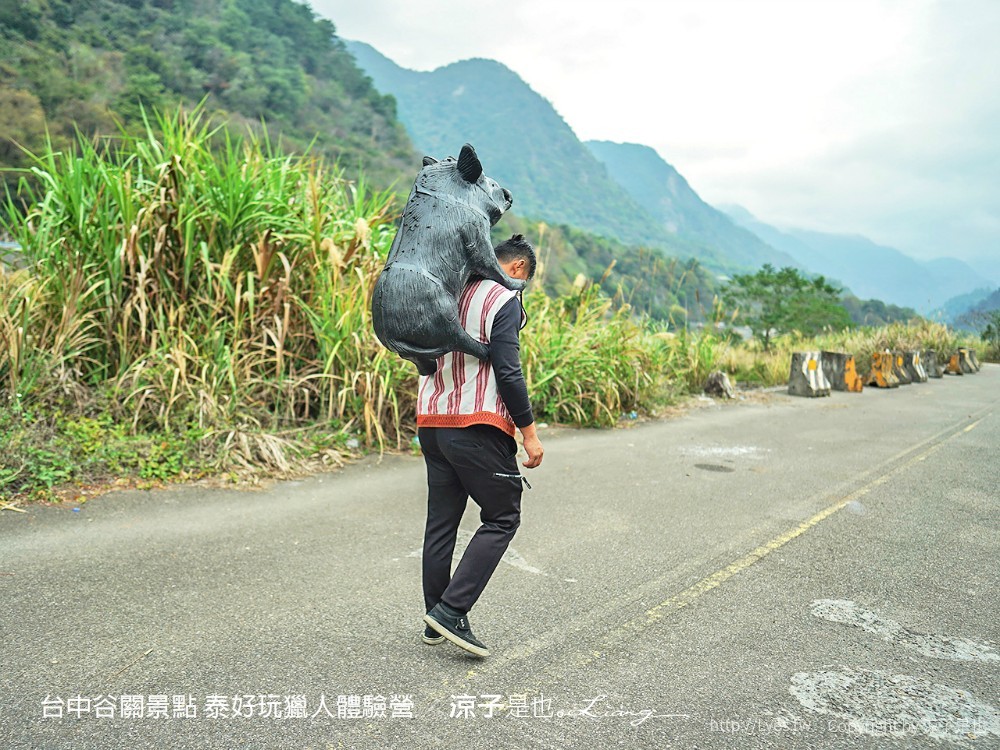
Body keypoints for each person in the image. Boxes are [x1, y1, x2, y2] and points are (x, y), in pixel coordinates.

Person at [417, 234, 544, 658]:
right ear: (518, 269)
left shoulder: (448, 290)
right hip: (477, 424)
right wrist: (528, 432)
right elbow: (508, 371)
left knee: (441, 523)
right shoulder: (502, 298)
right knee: (503, 516)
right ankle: (452, 611)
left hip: (432, 421)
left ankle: (435, 619)